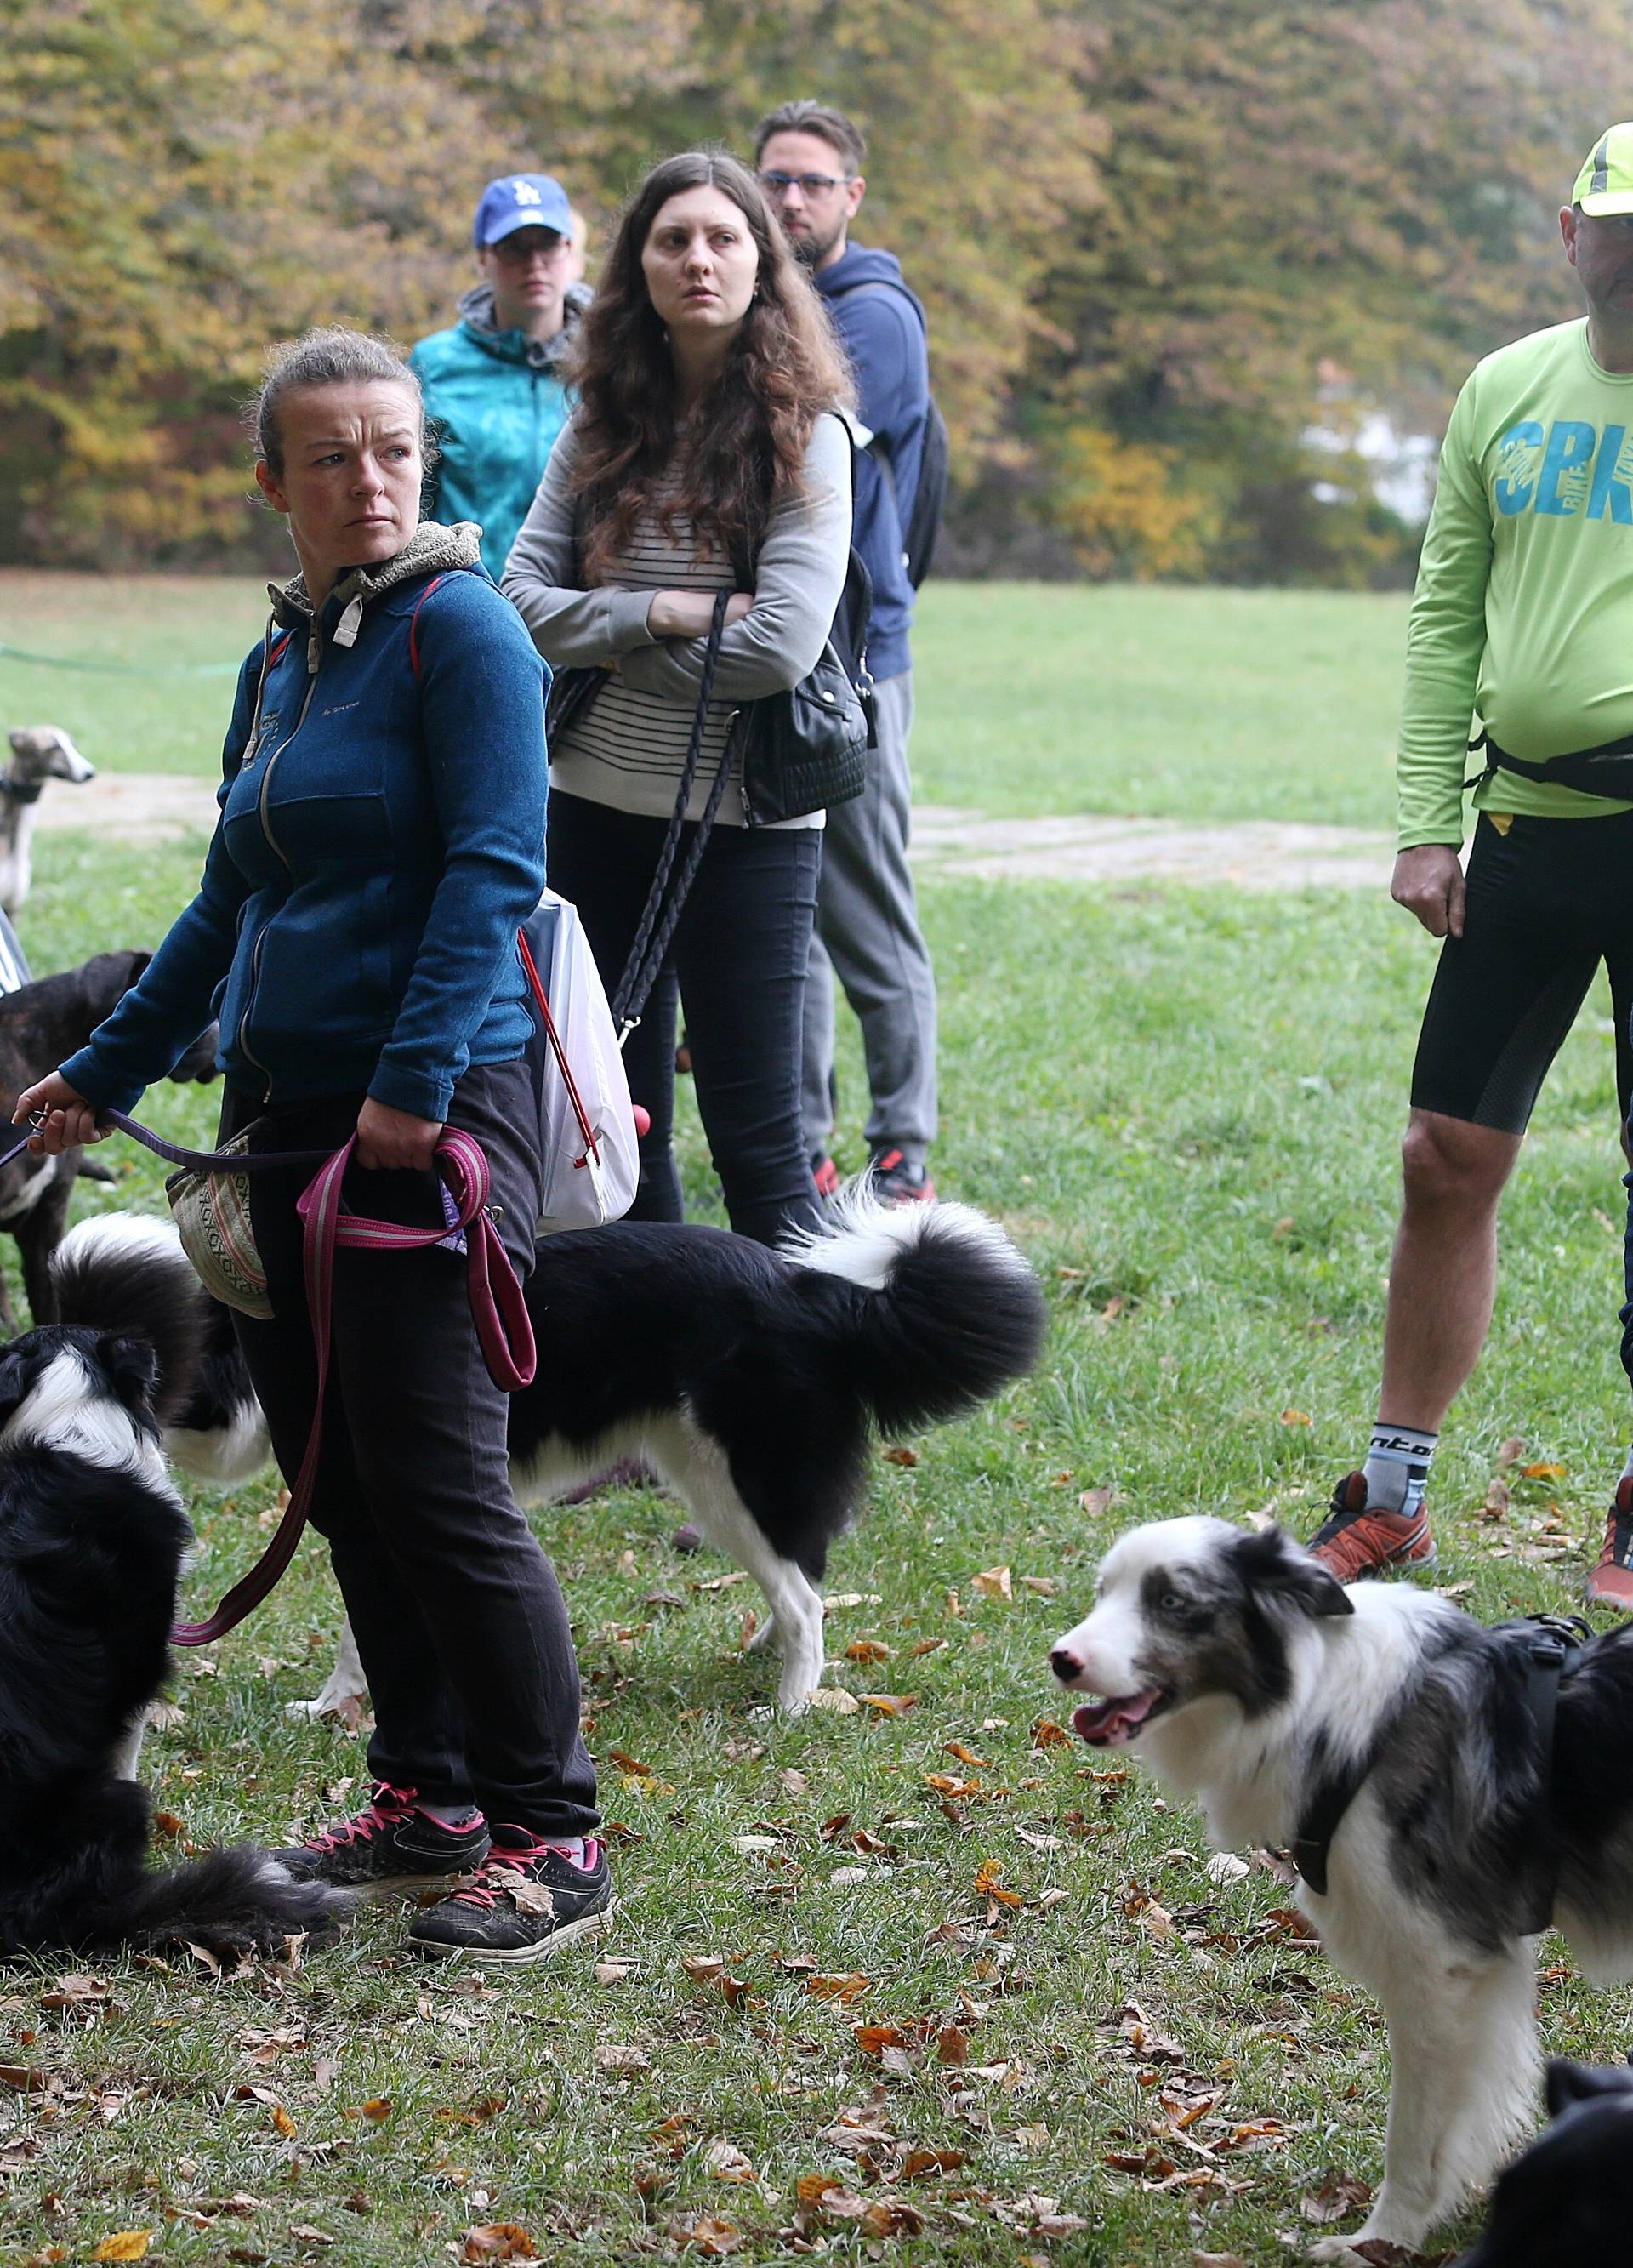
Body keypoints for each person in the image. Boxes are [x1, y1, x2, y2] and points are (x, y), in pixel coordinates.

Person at [15, 326, 612, 1963]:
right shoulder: (284, 659)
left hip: (426, 1114)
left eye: (395, 450)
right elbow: (229, 899)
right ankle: (426, 1795)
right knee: (341, 1475)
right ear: (271, 480)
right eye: (333, 456)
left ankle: (552, 1836)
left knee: (438, 1480)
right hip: (280, 1122)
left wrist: (414, 1087)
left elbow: (496, 869)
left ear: (426, 463)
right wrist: (96, 1067)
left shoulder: (463, 631)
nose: (371, 480)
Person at [1307, 123, 1633, 1610]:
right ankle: (1394, 1492)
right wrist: (1425, 817)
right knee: (1445, 1157)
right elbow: (1448, 617)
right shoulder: (1507, 387)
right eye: (1614, 225)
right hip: (1523, 828)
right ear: (1571, 231)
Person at [503, 149, 853, 1246]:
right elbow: (516, 600)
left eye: (722, 238)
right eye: (672, 240)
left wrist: (597, 632)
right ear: (637, 267)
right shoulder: (599, 423)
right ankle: (644, 1392)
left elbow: (780, 650)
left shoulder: (810, 434)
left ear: (763, 263)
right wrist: (668, 614)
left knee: (760, 1136)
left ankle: (794, 1397)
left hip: (747, 825)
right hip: (593, 806)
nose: (698, 259)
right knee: (611, 1124)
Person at [754, 99, 939, 1205]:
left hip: (855, 663)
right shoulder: (779, 297)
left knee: (867, 908)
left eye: (814, 182)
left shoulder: (873, 314)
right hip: (782, 653)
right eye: (775, 178)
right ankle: (808, 1140)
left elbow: (775, 426)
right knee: (793, 910)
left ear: (851, 195)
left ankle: (904, 1145)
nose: (791, 199)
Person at [411, 174, 590, 583]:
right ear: (482, 258)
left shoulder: (615, 360)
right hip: (467, 609)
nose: (534, 262)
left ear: (569, 250)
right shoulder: (435, 365)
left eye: (546, 244)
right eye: (513, 247)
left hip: (583, 614)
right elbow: (410, 503)